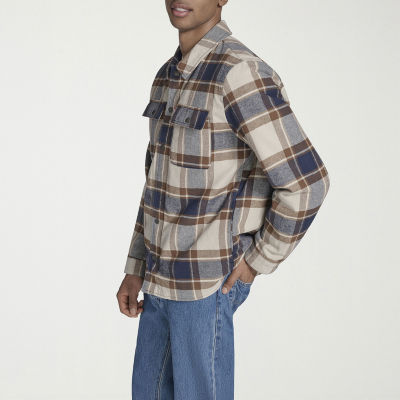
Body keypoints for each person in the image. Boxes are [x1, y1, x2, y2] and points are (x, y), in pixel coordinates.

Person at [116, 1, 330, 398]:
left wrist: (256, 262)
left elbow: (307, 182)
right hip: (158, 281)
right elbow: (156, 186)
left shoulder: (240, 73)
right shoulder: (166, 76)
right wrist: (136, 266)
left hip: (206, 284)